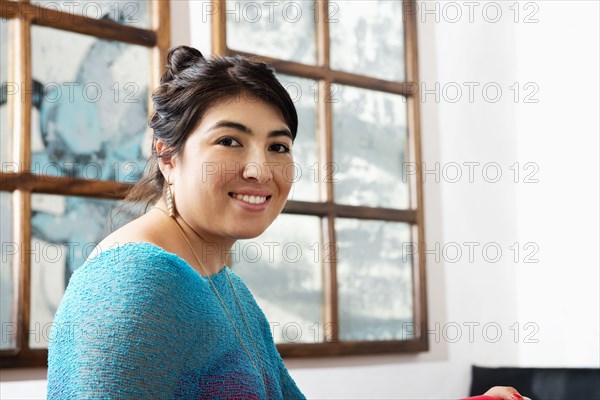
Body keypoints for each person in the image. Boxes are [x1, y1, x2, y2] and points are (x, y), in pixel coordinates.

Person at [46, 45, 526, 400]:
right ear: (168, 157)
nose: (260, 170)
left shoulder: (224, 284)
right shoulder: (136, 282)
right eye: (230, 141)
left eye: (278, 146)